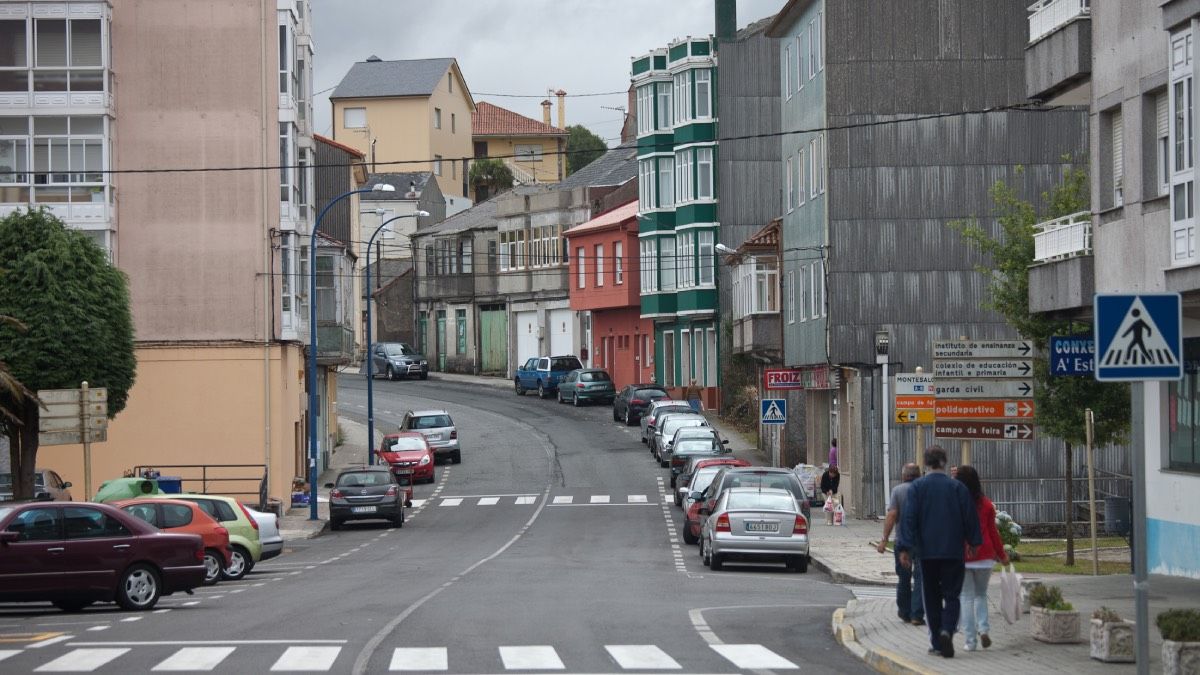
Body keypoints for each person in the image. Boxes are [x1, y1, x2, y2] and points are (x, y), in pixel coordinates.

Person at [898, 446, 982, 659]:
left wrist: (905, 547)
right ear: (944, 462)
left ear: (926, 463)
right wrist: (973, 541)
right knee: (953, 595)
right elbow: (970, 515)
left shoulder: (917, 487)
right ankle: (947, 630)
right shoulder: (957, 488)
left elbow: (909, 518)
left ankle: (936, 641)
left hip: (927, 553)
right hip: (953, 551)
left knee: (932, 597)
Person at [955, 465, 1008, 651]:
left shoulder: (956, 503)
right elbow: (993, 532)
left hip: (963, 555)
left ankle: (970, 641)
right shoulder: (986, 504)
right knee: (980, 595)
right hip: (985, 555)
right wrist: (1002, 555)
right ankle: (984, 629)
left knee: (966, 597)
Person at [878, 463, 924, 626]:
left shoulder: (898, 491)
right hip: (922, 541)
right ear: (919, 475)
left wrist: (884, 539)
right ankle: (917, 614)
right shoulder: (924, 490)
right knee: (920, 578)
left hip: (902, 540)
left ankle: (905, 611)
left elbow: (892, 515)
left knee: (904, 578)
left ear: (903, 475)